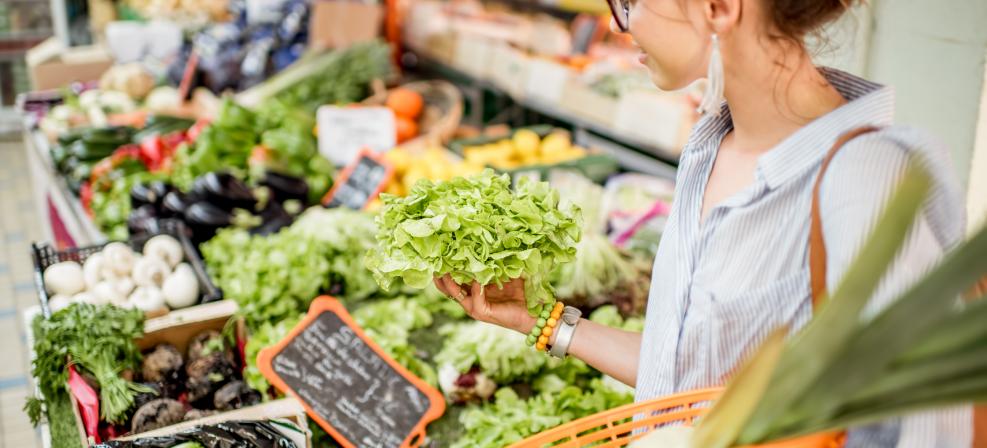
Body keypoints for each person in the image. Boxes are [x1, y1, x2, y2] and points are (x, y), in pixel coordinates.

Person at [435, 0, 972, 446]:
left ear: (719, 7)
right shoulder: (710, 146)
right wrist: (543, 321)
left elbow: (928, 430)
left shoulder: (871, 179)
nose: (621, 24)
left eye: (631, 2)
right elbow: (682, 381)